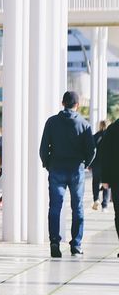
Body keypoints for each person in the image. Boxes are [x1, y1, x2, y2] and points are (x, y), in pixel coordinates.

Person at [38, 90, 96, 258]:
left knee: (55, 207)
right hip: (76, 170)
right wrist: (84, 163)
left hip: (56, 168)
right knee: (77, 208)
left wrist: (48, 164)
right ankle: (76, 245)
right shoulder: (84, 124)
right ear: (77, 105)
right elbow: (92, 150)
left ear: (62, 103)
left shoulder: (51, 122)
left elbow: (43, 149)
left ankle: (54, 242)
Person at [96, 120, 119, 256]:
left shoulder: (112, 129)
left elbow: (105, 155)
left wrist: (105, 179)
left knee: (118, 213)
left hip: (116, 179)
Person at [92, 120, 110, 211]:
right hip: (106, 165)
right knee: (106, 183)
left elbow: (91, 151)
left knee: (95, 182)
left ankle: (96, 199)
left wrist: (90, 164)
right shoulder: (111, 136)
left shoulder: (95, 136)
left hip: (96, 164)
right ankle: (105, 205)